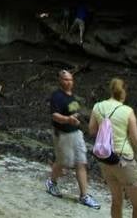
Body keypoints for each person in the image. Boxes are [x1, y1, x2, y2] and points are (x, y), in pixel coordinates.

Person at [89, 78, 137, 218]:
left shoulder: (98, 107)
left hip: (106, 159)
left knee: (117, 200)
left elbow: (92, 130)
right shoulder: (127, 111)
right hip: (124, 160)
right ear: (123, 92)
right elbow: (135, 139)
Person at [45, 69, 100, 208]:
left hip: (76, 134)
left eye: (70, 80)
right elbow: (54, 115)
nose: (69, 82)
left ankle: (84, 196)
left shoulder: (72, 97)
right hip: (63, 134)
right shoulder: (56, 96)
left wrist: (80, 121)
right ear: (60, 81)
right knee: (63, 162)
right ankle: (51, 182)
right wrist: (68, 119)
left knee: (81, 162)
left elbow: (76, 112)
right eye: (66, 80)